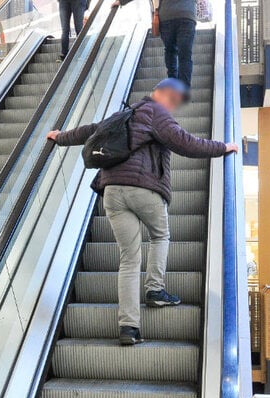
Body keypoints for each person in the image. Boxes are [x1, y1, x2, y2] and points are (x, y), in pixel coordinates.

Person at [47, 78, 237, 345]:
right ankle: (155, 289)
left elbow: (90, 131)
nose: (173, 104)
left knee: (128, 259)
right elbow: (185, 143)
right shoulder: (157, 113)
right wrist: (223, 148)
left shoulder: (124, 114)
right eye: (172, 99)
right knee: (160, 236)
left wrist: (60, 137)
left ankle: (129, 328)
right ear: (160, 95)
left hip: (111, 190)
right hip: (144, 189)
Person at [116, 0, 197, 87]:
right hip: (187, 14)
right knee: (185, 56)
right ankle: (183, 89)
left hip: (166, 16)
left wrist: (121, 1)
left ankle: (173, 86)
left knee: (170, 51)